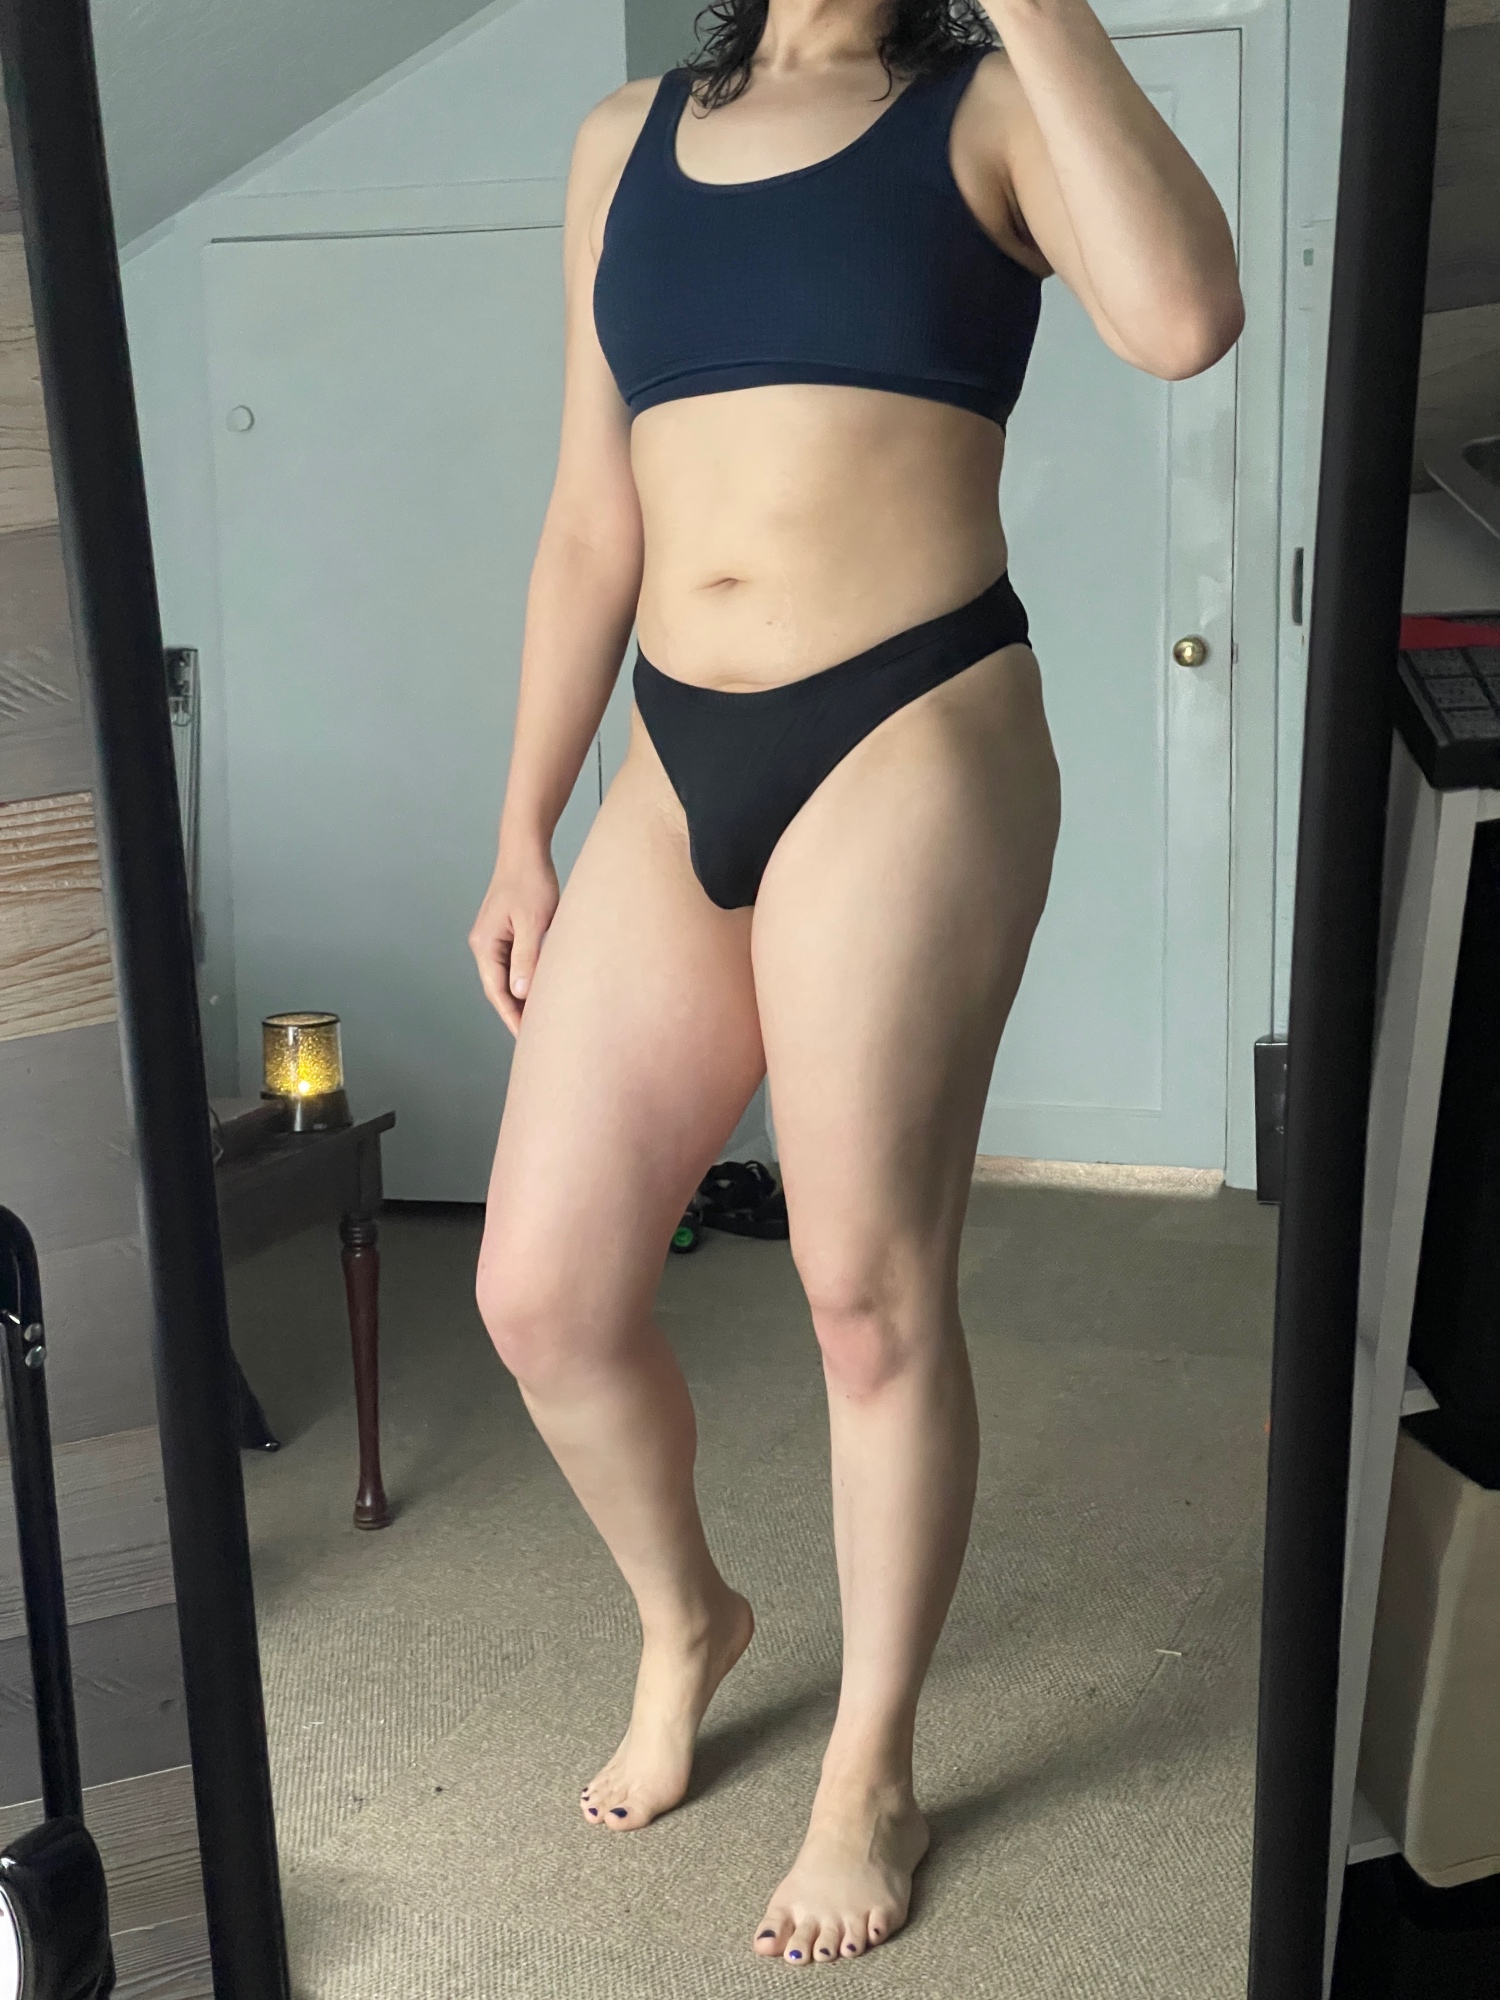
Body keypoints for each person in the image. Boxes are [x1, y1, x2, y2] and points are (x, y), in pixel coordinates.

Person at [470, 0, 1242, 1966]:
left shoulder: (989, 112)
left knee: (863, 1291)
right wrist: (524, 824)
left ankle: (870, 1767)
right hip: (674, 754)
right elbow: (590, 517)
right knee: (540, 1291)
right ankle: (691, 1619)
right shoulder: (622, 140)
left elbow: (1182, 320)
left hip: (911, 718)